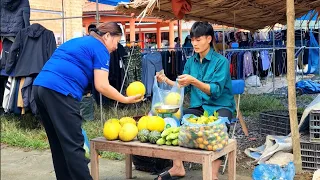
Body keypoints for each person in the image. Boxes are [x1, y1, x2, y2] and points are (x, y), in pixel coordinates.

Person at [32, 22, 143, 180]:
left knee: (59, 145)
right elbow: (102, 85)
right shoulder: (100, 48)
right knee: (74, 146)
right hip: (61, 91)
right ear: (106, 36)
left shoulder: (78, 40)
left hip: (40, 87)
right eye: (116, 42)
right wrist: (124, 99)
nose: (115, 48)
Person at [155, 21, 235, 180]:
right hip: (198, 107)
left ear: (209, 39)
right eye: (192, 40)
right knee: (176, 121)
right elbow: (183, 86)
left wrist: (193, 81)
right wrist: (166, 81)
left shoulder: (221, 62)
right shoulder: (191, 62)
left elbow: (216, 91)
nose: (194, 43)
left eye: (198, 40)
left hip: (220, 105)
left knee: (217, 130)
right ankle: (178, 167)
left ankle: (212, 175)